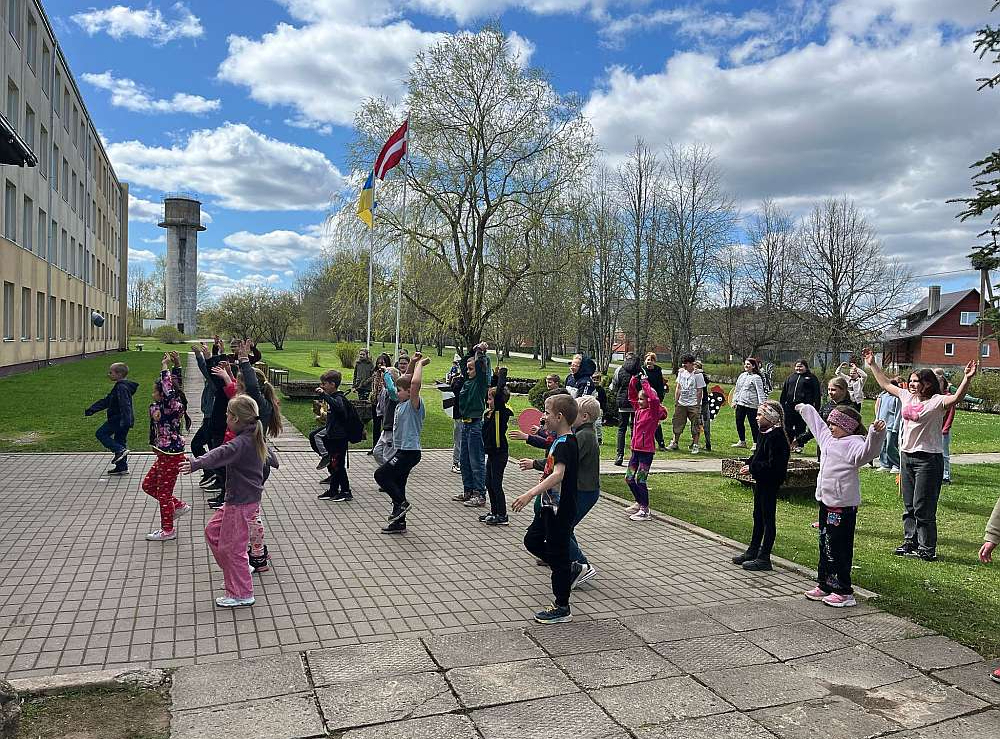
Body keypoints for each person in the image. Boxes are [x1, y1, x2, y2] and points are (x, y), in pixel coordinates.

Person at [864, 349, 977, 561]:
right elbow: (885, 384)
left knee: (923, 506)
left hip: (928, 459)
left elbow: (956, 398)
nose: (913, 384)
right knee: (909, 505)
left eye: (917, 381)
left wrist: (967, 379)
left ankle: (927, 548)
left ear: (928, 383)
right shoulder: (907, 396)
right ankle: (910, 541)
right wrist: (872, 364)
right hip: (907, 457)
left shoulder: (936, 402)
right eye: (911, 380)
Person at [182, 395, 279, 608]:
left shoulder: (242, 442)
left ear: (235, 419)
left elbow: (220, 453)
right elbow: (274, 461)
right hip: (240, 500)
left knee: (233, 549)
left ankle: (242, 593)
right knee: (213, 532)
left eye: (227, 414)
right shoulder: (255, 434)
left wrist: (196, 463)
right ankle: (238, 567)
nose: (225, 417)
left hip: (240, 503)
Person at [798, 402, 885, 607]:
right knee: (825, 545)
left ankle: (844, 590)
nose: (830, 427)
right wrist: (806, 409)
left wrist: (875, 433)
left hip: (842, 506)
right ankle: (825, 584)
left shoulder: (854, 444)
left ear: (847, 426)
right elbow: (817, 426)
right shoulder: (829, 440)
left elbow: (869, 452)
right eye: (830, 423)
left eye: (835, 424)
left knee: (839, 548)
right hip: (825, 503)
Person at [512, 393, 580, 624]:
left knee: (558, 556)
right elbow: (550, 468)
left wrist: (530, 494)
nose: (543, 417)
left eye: (546, 413)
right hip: (549, 507)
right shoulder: (558, 442)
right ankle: (567, 568)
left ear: (559, 417)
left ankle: (562, 607)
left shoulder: (567, 444)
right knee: (532, 540)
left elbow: (558, 474)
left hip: (560, 510)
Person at [374, 352, 430, 534]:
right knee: (398, 485)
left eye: (399, 391)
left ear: (409, 393)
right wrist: (413, 361)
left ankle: (402, 504)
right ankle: (399, 522)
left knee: (381, 476)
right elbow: (407, 380)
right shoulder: (401, 403)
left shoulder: (414, 404)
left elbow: (413, 383)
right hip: (402, 451)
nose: (396, 393)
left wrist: (420, 364)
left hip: (410, 452)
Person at [732, 401, 790, 572]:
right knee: (758, 516)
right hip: (761, 481)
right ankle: (753, 550)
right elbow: (759, 455)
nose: (756, 418)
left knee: (767, 519)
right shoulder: (764, 433)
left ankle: (765, 557)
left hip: (770, 482)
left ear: (771, 417)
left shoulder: (777, 437)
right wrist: (749, 463)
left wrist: (753, 467)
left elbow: (775, 465)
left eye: (760, 415)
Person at [142, 352, 192, 541]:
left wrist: (165, 367)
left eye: (155, 390)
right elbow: (176, 385)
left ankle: (168, 530)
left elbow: (170, 388)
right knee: (147, 485)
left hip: (170, 454)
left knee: (164, 494)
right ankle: (178, 505)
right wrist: (177, 364)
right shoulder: (168, 403)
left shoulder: (171, 405)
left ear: (163, 393)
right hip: (164, 454)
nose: (152, 393)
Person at [624, 369, 665, 521]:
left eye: (643, 399)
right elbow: (631, 395)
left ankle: (645, 510)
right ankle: (639, 502)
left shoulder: (653, 412)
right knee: (629, 478)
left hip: (646, 452)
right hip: (635, 451)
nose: (639, 401)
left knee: (641, 479)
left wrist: (645, 382)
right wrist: (634, 380)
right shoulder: (638, 410)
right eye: (639, 399)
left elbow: (654, 399)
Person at [85, 361, 138, 475]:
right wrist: (92, 409)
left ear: (119, 374)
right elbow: (108, 400)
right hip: (124, 419)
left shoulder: (122, 388)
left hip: (120, 419)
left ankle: (119, 450)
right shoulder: (120, 386)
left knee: (101, 433)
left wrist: (125, 420)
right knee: (120, 440)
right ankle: (122, 467)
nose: (109, 374)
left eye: (111, 372)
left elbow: (125, 404)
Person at [454, 343, 491, 506]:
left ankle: (480, 494)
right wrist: (471, 351)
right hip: (465, 424)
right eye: (467, 369)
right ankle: (468, 491)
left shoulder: (480, 382)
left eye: (471, 369)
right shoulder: (468, 381)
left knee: (476, 461)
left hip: (475, 424)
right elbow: (464, 363)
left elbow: (481, 366)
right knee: (465, 460)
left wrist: (480, 352)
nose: (468, 371)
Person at [315, 369, 353, 502]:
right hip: (333, 437)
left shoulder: (339, 398)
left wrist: (325, 396)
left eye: (324, 384)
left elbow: (339, 407)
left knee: (338, 465)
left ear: (332, 384)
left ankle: (346, 491)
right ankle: (333, 490)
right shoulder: (332, 398)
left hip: (339, 438)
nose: (322, 386)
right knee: (334, 463)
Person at [481, 367, 512, 525]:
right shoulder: (490, 413)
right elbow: (493, 390)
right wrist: (493, 376)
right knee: (488, 482)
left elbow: (498, 392)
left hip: (500, 453)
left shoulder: (501, 412)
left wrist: (502, 374)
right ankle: (494, 511)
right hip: (492, 453)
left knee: (496, 484)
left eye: (490, 399)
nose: (488, 402)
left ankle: (503, 515)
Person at [795, 376, 851, 455]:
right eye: (829, 389)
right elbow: (817, 425)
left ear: (843, 390)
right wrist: (799, 440)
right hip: (823, 445)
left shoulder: (849, 408)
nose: (830, 392)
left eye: (833, 390)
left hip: (840, 448)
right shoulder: (827, 406)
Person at [779, 359, 822, 453]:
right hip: (789, 407)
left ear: (806, 367)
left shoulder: (811, 378)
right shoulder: (791, 377)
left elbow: (817, 394)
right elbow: (784, 392)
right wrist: (782, 405)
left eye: (801, 366)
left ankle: (799, 445)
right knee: (787, 426)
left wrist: (816, 407)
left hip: (803, 407)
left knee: (800, 426)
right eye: (797, 366)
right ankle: (789, 444)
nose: (798, 368)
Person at [668, 354, 706, 454]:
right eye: (683, 363)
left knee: (695, 424)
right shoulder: (681, 373)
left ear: (691, 363)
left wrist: (697, 404)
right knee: (677, 422)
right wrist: (676, 401)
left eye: (686, 363)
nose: (684, 365)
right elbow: (678, 387)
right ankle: (675, 442)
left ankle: (695, 445)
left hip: (693, 403)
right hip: (682, 402)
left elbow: (699, 390)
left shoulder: (698, 375)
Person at [731, 358, 766, 449]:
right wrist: (734, 401)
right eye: (745, 364)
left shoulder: (757, 378)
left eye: (748, 364)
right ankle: (742, 441)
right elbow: (737, 389)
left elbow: (760, 392)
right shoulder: (742, 375)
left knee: (753, 424)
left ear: (753, 366)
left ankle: (755, 443)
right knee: (739, 422)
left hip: (752, 405)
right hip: (741, 404)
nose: (746, 366)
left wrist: (761, 406)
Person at [611, 353, 638, 466]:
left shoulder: (619, 370)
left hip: (623, 401)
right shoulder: (639, 370)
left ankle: (619, 455)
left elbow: (614, 386)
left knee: (621, 429)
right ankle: (634, 455)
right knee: (634, 429)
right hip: (637, 403)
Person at [372, 367, 401, 466]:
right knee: (377, 452)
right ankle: (390, 470)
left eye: (384, 379)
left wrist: (387, 373)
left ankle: (391, 472)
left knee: (388, 457)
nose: (382, 381)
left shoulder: (396, 393)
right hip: (386, 428)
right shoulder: (385, 391)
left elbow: (391, 389)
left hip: (393, 430)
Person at [875, 379, 902, 474]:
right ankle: (885, 464)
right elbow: (879, 410)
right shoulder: (883, 396)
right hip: (882, 425)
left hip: (892, 426)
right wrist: (877, 420)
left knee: (891, 446)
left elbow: (898, 413)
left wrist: (896, 427)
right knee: (882, 446)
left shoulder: (897, 398)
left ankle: (897, 464)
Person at [933, 368, 954, 484]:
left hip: (943, 430)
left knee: (944, 454)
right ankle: (936, 473)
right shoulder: (934, 396)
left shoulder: (948, 397)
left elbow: (950, 414)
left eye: (940, 382)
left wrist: (945, 428)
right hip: (933, 429)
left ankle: (945, 475)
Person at [643, 353, 668, 451]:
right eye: (648, 359)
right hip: (644, 398)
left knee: (656, 422)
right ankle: (645, 443)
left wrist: (660, 398)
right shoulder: (642, 371)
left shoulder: (658, 371)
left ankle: (661, 443)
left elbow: (660, 386)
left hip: (655, 399)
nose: (649, 361)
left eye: (651, 360)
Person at [368, 353, 392, 456]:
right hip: (375, 402)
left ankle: (386, 448)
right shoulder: (375, 374)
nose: (380, 366)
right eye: (378, 363)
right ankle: (375, 447)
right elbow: (374, 387)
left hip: (386, 404)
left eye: (382, 363)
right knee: (376, 426)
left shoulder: (389, 373)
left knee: (385, 426)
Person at [447, 354, 464, 474]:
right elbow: (454, 392)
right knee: (458, 439)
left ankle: (463, 462)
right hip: (459, 415)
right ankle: (456, 462)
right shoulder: (458, 381)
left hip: (471, 416)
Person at [694, 360, 713, 452]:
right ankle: (695, 442)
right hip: (695, 402)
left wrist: (701, 372)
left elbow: (707, 380)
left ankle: (708, 443)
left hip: (703, 402)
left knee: (705, 423)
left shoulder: (702, 376)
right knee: (696, 423)